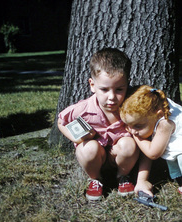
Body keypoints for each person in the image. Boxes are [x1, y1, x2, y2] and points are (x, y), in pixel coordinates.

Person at [58, 48, 139, 201]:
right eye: (104, 89)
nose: (112, 97)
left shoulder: (131, 107)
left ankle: (122, 176)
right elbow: (61, 121)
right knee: (89, 148)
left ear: (127, 84)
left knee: (129, 144)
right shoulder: (83, 109)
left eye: (119, 89)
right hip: (96, 157)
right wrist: (75, 139)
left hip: (119, 156)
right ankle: (96, 179)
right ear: (92, 85)